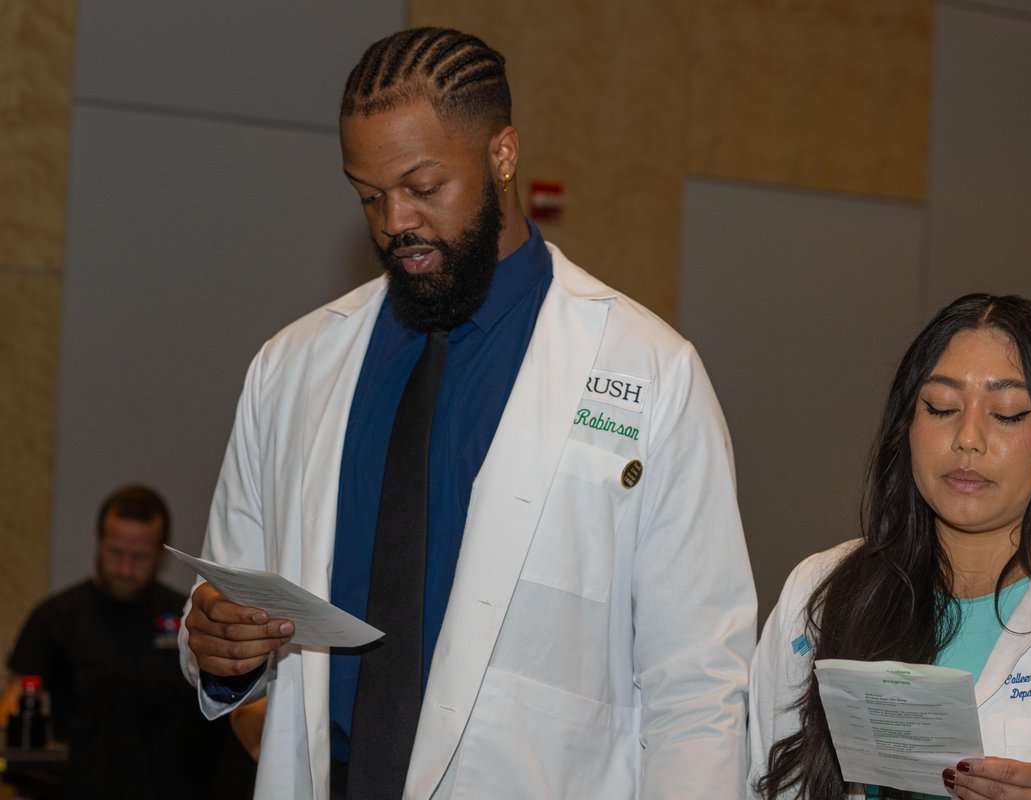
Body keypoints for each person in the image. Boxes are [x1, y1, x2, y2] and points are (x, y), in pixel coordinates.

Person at [180, 26, 756, 800]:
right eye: (369, 196)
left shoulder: (650, 372)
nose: (396, 224)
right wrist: (218, 645)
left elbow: (700, 687)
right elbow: (230, 596)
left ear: (503, 154)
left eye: (424, 187)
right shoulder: (293, 366)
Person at [749, 294, 1031, 800]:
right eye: (942, 407)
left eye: (1007, 414)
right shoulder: (820, 591)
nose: (968, 439)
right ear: (907, 426)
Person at [3, 484, 254, 799]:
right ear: (99, 543)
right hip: (78, 788)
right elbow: (15, 705)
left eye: (139, 557)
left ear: (159, 554)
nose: (124, 568)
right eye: (115, 553)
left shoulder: (187, 620)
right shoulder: (56, 616)